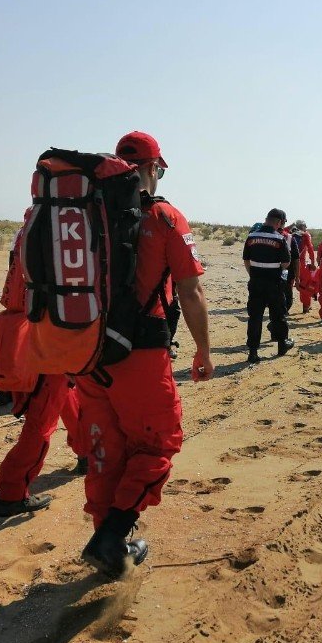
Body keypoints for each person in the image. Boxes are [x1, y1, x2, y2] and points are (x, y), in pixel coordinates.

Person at [77, 131, 213, 580]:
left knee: (104, 448)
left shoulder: (83, 212)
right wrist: (203, 351)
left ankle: (108, 546)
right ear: (153, 169)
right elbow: (190, 292)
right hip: (140, 351)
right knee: (157, 442)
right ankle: (112, 536)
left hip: (87, 352)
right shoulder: (164, 216)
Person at [0, 221, 90, 517]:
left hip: (27, 330)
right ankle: (12, 491)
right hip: (46, 335)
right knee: (42, 417)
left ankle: (87, 452)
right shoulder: (61, 228)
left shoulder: (30, 228)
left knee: (66, 395)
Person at [243, 208, 294, 364]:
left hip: (256, 282)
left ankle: (253, 352)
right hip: (274, 283)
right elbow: (286, 263)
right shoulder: (279, 239)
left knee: (255, 317)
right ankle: (281, 345)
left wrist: (254, 274)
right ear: (279, 222)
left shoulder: (251, 237)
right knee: (278, 315)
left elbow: (246, 260)